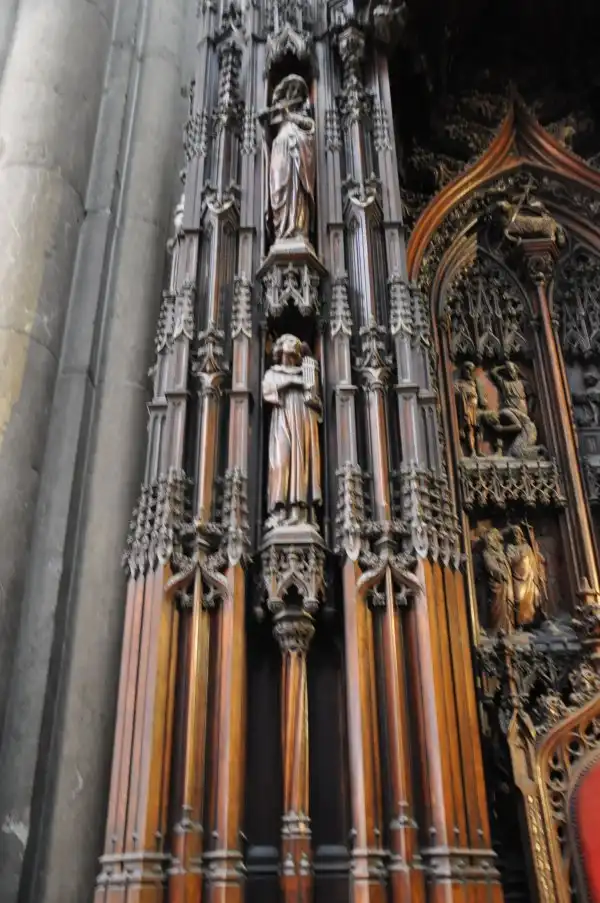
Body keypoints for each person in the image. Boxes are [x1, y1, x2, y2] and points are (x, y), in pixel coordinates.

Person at [263, 334, 322, 528]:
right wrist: (291, 383)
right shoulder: (272, 372)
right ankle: (279, 512)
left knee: (301, 461)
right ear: (280, 347)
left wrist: (310, 366)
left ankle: (299, 512)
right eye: (289, 340)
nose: (294, 343)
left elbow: (314, 396)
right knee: (281, 461)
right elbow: (267, 392)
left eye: (296, 342)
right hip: (282, 418)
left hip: (302, 419)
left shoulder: (306, 370)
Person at [261, 75, 315, 242]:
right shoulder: (277, 111)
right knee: (278, 189)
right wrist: (265, 119)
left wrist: (289, 115)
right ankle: (280, 230)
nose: (295, 92)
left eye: (299, 90)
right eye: (292, 88)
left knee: (297, 191)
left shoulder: (301, 114)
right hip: (280, 151)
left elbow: (310, 127)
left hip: (297, 156)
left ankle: (297, 229)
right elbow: (266, 130)